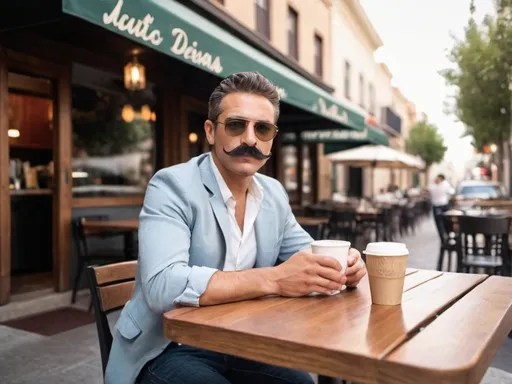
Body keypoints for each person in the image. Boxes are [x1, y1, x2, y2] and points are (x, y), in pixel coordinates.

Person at [105, 72, 367, 384]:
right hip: (165, 346)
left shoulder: (273, 194)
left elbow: (306, 254)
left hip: (243, 341)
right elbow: (163, 285)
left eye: (263, 128)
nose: (250, 139)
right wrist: (274, 279)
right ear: (211, 131)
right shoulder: (171, 185)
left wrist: (343, 266)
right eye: (236, 125)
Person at [428, 173, 455, 240]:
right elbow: (452, 192)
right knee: (443, 221)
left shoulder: (434, 186)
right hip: (442, 205)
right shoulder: (445, 184)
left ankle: (444, 237)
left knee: (441, 222)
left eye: (437, 178)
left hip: (439, 206)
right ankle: (446, 236)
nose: (436, 180)